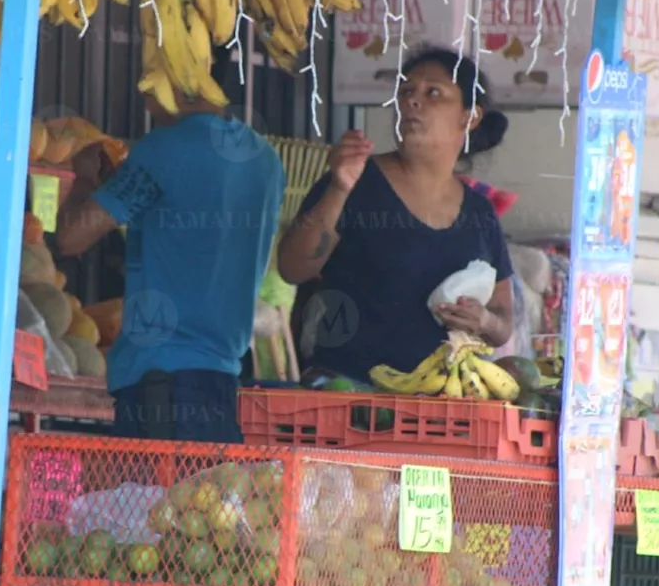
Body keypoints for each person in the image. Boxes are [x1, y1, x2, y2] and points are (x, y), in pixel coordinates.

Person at [56, 89, 284, 443]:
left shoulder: (162, 148)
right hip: (222, 378)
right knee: (203, 498)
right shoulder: (266, 159)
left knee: (153, 498)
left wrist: (85, 176)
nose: (145, 96)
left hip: (160, 382)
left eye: (149, 85)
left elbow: (71, 238)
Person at [278, 46, 514, 382]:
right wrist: (339, 188)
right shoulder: (357, 180)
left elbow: (503, 321)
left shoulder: (480, 213)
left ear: (470, 116)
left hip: (438, 408)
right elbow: (293, 268)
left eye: (433, 92)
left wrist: (484, 322)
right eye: (405, 92)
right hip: (343, 395)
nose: (411, 102)